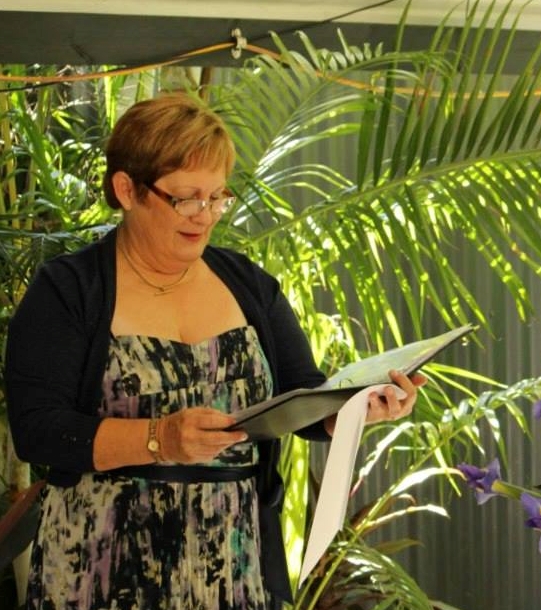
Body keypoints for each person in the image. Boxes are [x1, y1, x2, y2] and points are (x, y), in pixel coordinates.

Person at [3, 92, 423, 609]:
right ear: (127, 189)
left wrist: (355, 408)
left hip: (233, 558)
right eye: (186, 198)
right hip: (101, 562)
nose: (205, 216)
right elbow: (40, 432)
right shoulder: (68, 290)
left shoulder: (248, 284)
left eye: (217, 197)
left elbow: (303, 395)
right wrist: (158, 439)